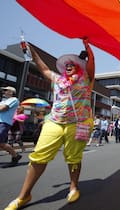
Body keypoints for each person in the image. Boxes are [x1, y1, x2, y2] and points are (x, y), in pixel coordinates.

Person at [5, 38, 95, 210]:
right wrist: (32, 52)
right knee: (39, 156)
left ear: (79, 67)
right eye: (66, 65)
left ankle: (74, 187)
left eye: (72, 64)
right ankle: (24, 196)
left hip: (78, 123)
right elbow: (44, 68)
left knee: (73, 157)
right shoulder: (57, 79)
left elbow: (91, 65)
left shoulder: (86, 79)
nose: (69, 66)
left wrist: (88, 49)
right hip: (55, 122)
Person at [0, 86, 22, 166]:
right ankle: (16, 156)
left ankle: (15, 156)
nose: (4, 92)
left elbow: (3, 109)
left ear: (11, 92)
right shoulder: (3, 101)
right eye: (4, 90)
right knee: (1, 143)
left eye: (6, 90)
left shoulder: (14, 100)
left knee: (1, 142)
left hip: (4, 123)